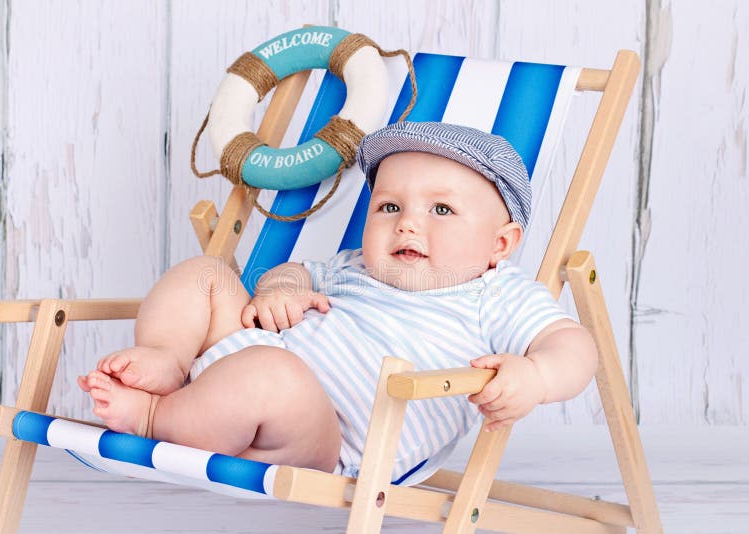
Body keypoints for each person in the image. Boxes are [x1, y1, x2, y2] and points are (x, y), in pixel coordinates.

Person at [78, 121, 598, 483]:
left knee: (272, 375)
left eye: (442, 209)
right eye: (389, 205)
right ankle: (169, 359)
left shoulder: (497, 295)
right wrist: (281, 289)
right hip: (243, 364)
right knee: (208, 274)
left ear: (499, 245)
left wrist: (537, 377)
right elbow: (292, 272)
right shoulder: (354, 264)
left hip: (323, 435)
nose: (408, 222)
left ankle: (154, 419)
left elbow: (572, 345)